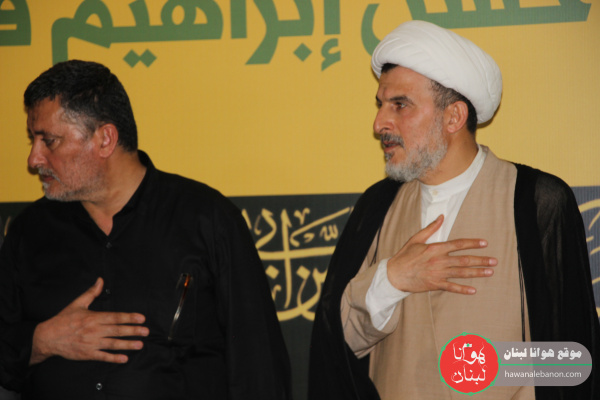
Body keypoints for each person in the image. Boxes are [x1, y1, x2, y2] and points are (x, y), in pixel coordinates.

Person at [309, 20, 600, 399]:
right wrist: (391, 279)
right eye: (381, 105)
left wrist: (486, 364)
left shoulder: (535, 201)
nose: (380, 123)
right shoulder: (377, 206)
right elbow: (336, 349)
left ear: (454, 117)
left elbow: (572, 361)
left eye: (400, 105)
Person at [0, 60, 291, 399]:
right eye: (33, 140)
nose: (33, 159)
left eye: (49, 141)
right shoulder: (29, 232)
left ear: (105, 139)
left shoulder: (207, 219)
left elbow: (258, 367)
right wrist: (42, 341)